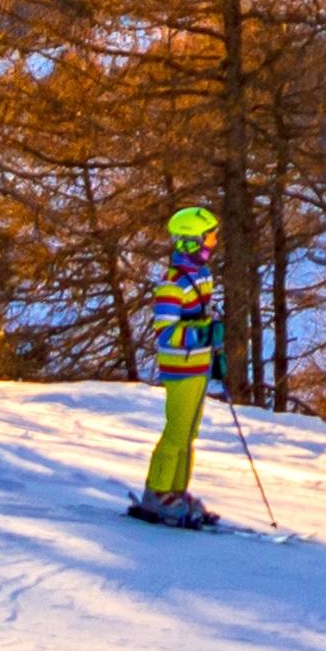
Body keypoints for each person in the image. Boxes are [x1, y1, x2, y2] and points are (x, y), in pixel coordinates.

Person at [130, 203, 231, 527]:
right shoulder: (172, 284)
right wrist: (203, 335)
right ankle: (156, 492)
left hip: (199, 366)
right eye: (209, 239)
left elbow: (206, 318)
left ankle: (177, 490)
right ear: (191, 242)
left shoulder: (202, 278)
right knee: (176, 432)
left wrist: (214, 351)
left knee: (189, 433)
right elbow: (166, 332)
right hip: (180, 369)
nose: (213, 245)